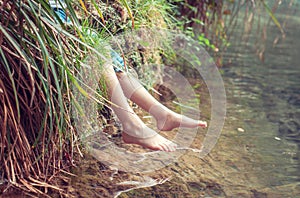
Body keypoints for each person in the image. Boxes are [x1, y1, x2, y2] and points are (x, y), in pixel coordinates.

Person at [50, 0, 207, 152]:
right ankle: (132, 125)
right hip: (47, 16)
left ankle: (161, 114)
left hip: (63, 14)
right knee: (95, 44)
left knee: (110, 58)